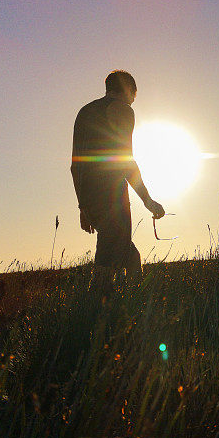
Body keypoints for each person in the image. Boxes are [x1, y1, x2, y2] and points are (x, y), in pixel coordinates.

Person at [71, 70, 164, 287]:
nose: (133, 102)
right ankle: (99, 308)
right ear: (129, 90)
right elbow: (125, 160)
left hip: (89, 196)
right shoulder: (122, 110)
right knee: (107, 258)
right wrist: (147, 200)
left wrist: (83, 206)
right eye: (134, 96)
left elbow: (75, 165)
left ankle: (127, 309)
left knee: (129, 256)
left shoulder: (84, 112)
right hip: (112, 195)